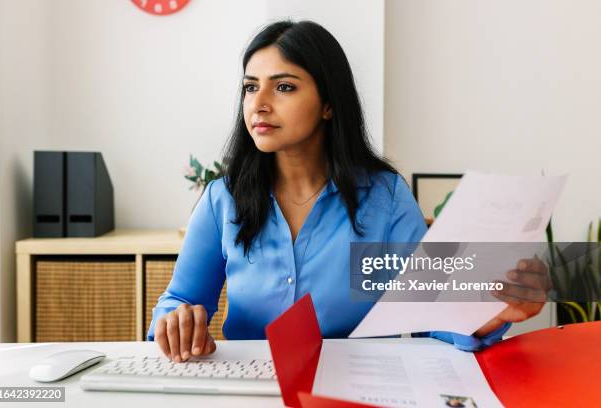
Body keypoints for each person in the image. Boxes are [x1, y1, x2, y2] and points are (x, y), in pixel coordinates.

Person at [147, 20, 549, 362]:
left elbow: (432, 312)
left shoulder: (385, 198)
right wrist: (177, 321)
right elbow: (178, 299)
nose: (259, 104)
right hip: (254, 386)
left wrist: (498, 311)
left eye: (283, 87)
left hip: (361, 386)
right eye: (251, 87)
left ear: (328, 103)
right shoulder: (223, 199)